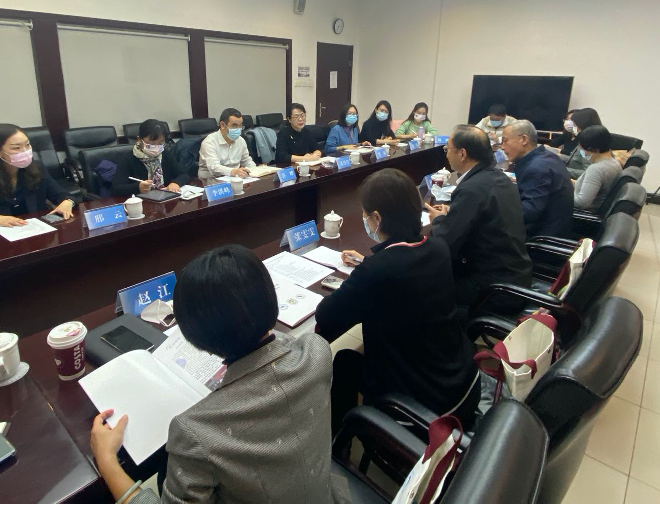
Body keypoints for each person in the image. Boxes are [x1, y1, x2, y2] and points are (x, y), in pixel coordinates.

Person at [89, 245, 342, 504]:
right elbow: (282, 342)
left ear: (197, 340)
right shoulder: (316, 352)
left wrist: (107, 460)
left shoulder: (195, 432)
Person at [315, 169, 480, 433]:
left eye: (365, 215)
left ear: (377, 218)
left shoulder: (378, 271)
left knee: (344, 360)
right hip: (463, 383)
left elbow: (325, 316)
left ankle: (341, 443)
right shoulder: (437, 247)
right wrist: (369, 263)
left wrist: (367, 270)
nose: (365, 220)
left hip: (426, 409)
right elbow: (401, 270)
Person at [425, 126, 532, 316]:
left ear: (462, 154)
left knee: (421, 286)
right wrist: (455, 214)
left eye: (447, 149)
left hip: (492, 288)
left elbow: (446, 244)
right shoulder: (500, 178)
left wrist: (439, 219)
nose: (446, 154)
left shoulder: (471, 189)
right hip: (516, 276)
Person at [501, 120, 574, 239]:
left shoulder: (536, 169)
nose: (502, 147)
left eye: (505, 141)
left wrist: (496, 211)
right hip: (552, 227)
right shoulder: (546, 156)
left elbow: (528, 213)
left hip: (540, 237)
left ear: (523, 139)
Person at [112, 119, 189, 196]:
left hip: (165, 197)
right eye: (151, 143)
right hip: (142, 199)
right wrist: (137, 187)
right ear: (139, 139)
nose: (156, 147)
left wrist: (175, 183)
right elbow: (116, 188)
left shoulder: (164, 153)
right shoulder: (128, 158)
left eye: (160, 143)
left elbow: (183, 174)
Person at [573, 125, 623, 212]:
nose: (581, 152)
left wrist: (559, 196)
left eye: (582, 149)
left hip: (582, 213)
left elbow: (581, 203)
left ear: (595, 150)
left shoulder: (596, 169)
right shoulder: (614, 163)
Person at [198, 108, 256, 180]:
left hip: (234, 178)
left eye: (240, 126)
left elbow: (246, 160)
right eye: (234, 125)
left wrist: (255, 170)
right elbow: (214, 167)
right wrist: (233, 171)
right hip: (210, 179)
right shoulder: (209, 142)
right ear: (222, 125)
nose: (238, 129)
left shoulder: (240, 140)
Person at [564, 107, 602, 179]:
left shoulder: (590, 143)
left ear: (582, 124)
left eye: (575, 124)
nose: (574, 127)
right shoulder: (585, 138)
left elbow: (588, 173)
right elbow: (574, 160)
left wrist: (562, 170)